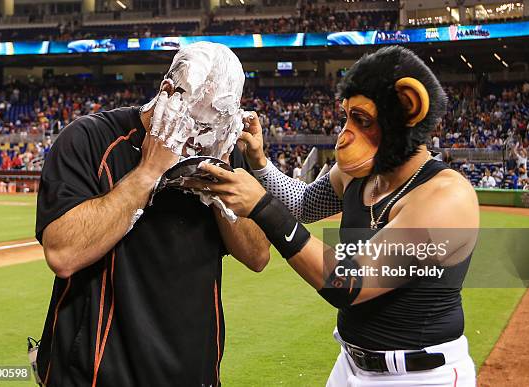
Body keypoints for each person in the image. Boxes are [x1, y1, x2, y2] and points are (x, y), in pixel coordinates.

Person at [185, 46, 478, 386]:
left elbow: (348, 284)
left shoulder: (446, 198)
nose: (344, 133)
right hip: (351, 364)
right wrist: (260, 162)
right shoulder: (360, 174)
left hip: (421, 375)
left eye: (363, 120)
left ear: (408, 110)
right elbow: (303, 204)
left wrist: (261, 206)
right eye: (347, 117)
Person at [34, 42, 270, 386]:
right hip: (94, 375)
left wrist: (220, 181)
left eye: (216, 125)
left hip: (192, 373)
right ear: (168, 92)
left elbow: (258, 255)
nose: (202, 137)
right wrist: (148, 172)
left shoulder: (221, 150)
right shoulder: (89, 138)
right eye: (198, 121)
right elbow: (63, 252)